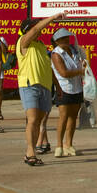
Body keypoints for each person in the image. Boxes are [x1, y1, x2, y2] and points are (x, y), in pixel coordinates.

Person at [16, 14, 67, 167]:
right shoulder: (23, 42)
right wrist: (55, 17)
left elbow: (48, 68)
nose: (38, 29)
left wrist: (57, 86)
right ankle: (30, 152)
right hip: (29, 84)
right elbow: (37, 27)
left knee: (38, 121)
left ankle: (30, 151)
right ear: (28, 30)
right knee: (32, 119)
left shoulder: (41, 46)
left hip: (44, 86)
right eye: (33, 28)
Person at [50, 28, 84, 157]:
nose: (66, 40)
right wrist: (80, 72)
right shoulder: (56, 54)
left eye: (67, 38)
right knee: (63, 117)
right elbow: (63, 73)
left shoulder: (75, 50)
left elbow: (84, 63)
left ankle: (68, 145)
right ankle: (59, 146)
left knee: (73, 117)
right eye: (63, 39)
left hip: (77, 88)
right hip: (64, 88)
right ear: (57, 41)